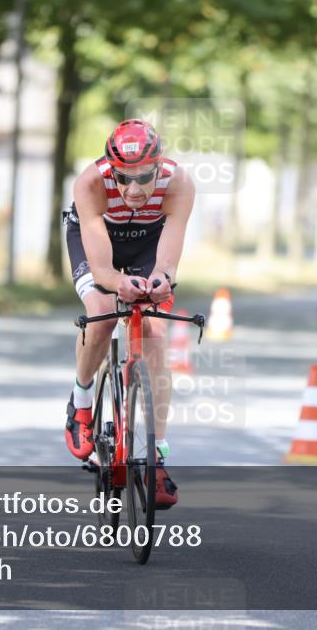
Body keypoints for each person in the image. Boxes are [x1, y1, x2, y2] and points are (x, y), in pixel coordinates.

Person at [63, 119, 195, 509]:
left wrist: (160, 281)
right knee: (102, 312)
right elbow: (103, 271)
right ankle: (81, 400)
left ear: (159, 167)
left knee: (153, 328)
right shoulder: (90, 183)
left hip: (147, 243)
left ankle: (155, 457)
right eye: (124, 179)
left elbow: (167, 263)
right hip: (99, 240)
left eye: (144, 178)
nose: (134, 190)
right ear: (111, 170)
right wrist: (117, 282)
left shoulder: (179, 184)